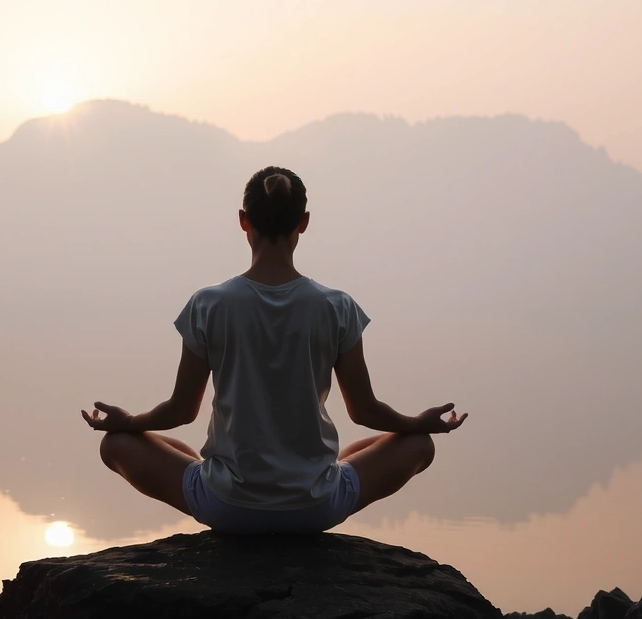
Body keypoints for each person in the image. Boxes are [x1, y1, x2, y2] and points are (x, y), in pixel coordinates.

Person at [81, 166, 467, 534]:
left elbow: (181, 411)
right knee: (416, 444)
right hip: (314, 509)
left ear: (243, 220)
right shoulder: (336, 306)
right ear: (304, 222)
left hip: (228, 508)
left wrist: (126, 422)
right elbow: (365, 411)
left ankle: (226, 483)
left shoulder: (210, 304)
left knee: (117, 444)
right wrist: (421, 423)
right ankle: (311, 480)